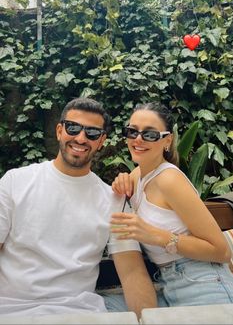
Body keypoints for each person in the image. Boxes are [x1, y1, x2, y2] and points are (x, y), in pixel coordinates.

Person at [0, 97, 157, 317]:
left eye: (92, 133)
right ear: (59, 131)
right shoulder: (15, 182)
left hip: (78, 314)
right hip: (10, 311)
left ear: (101, 141)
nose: (81, 138)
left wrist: (151, 321)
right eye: (73, 128)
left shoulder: (114, 200)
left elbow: (132, 273)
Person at [111, 102, 233, 307]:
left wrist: (156, 235)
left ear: (167, 140)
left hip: (205, 283)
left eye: (150, 134)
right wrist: (120, 181)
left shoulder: (169, 179)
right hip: (169, 284)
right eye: (132, 131)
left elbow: (221, 251)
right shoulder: (137, 176)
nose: (138, 139)